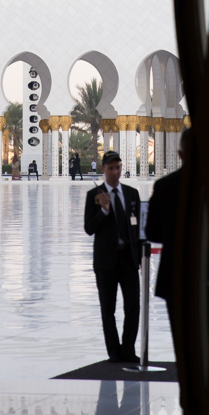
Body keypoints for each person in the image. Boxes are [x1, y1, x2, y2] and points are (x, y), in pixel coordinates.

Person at [84, 150, 142, 363]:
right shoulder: (95, 196)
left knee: (133, 307)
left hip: (128, 260)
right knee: (108, 309)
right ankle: (114, 353)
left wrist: (141, 257)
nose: (115, 172)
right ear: (103, 170)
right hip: (106, 262)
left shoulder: (131, 193)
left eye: (118, 168)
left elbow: (138, 228)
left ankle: (128, 349)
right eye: (111, 168)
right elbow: (89, 228)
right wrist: (104, 211)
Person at [144, 127, 191, 341]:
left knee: (181, 338)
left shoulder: (164, 186)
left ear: (180, 155)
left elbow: (151, 232)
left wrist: (174, 238)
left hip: (174, 272)